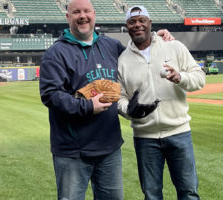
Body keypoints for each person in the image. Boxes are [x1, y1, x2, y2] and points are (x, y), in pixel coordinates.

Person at [39, 0, 173, 199]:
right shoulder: (56, 53)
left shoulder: (111, 46)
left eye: (86, 11)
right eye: (76, 12)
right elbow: (51, 95)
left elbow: (137, 56)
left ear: (94, 15)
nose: (82, 16)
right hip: (73, 150)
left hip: (109, 147)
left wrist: (155, 38)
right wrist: (87, 106)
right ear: (68, 17)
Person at [118, 6, 205, 200]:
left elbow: (199, 78)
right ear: (127, 26)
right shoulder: (123, 59)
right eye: (132, 22)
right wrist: (128, 110)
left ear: (150, 23)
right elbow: (120, 96)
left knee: (188, 192)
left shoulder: (173, 47)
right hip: (145, 137)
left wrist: (180, 77)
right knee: (151, 195)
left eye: (142, 20)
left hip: (179, 132)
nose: (137, 24)